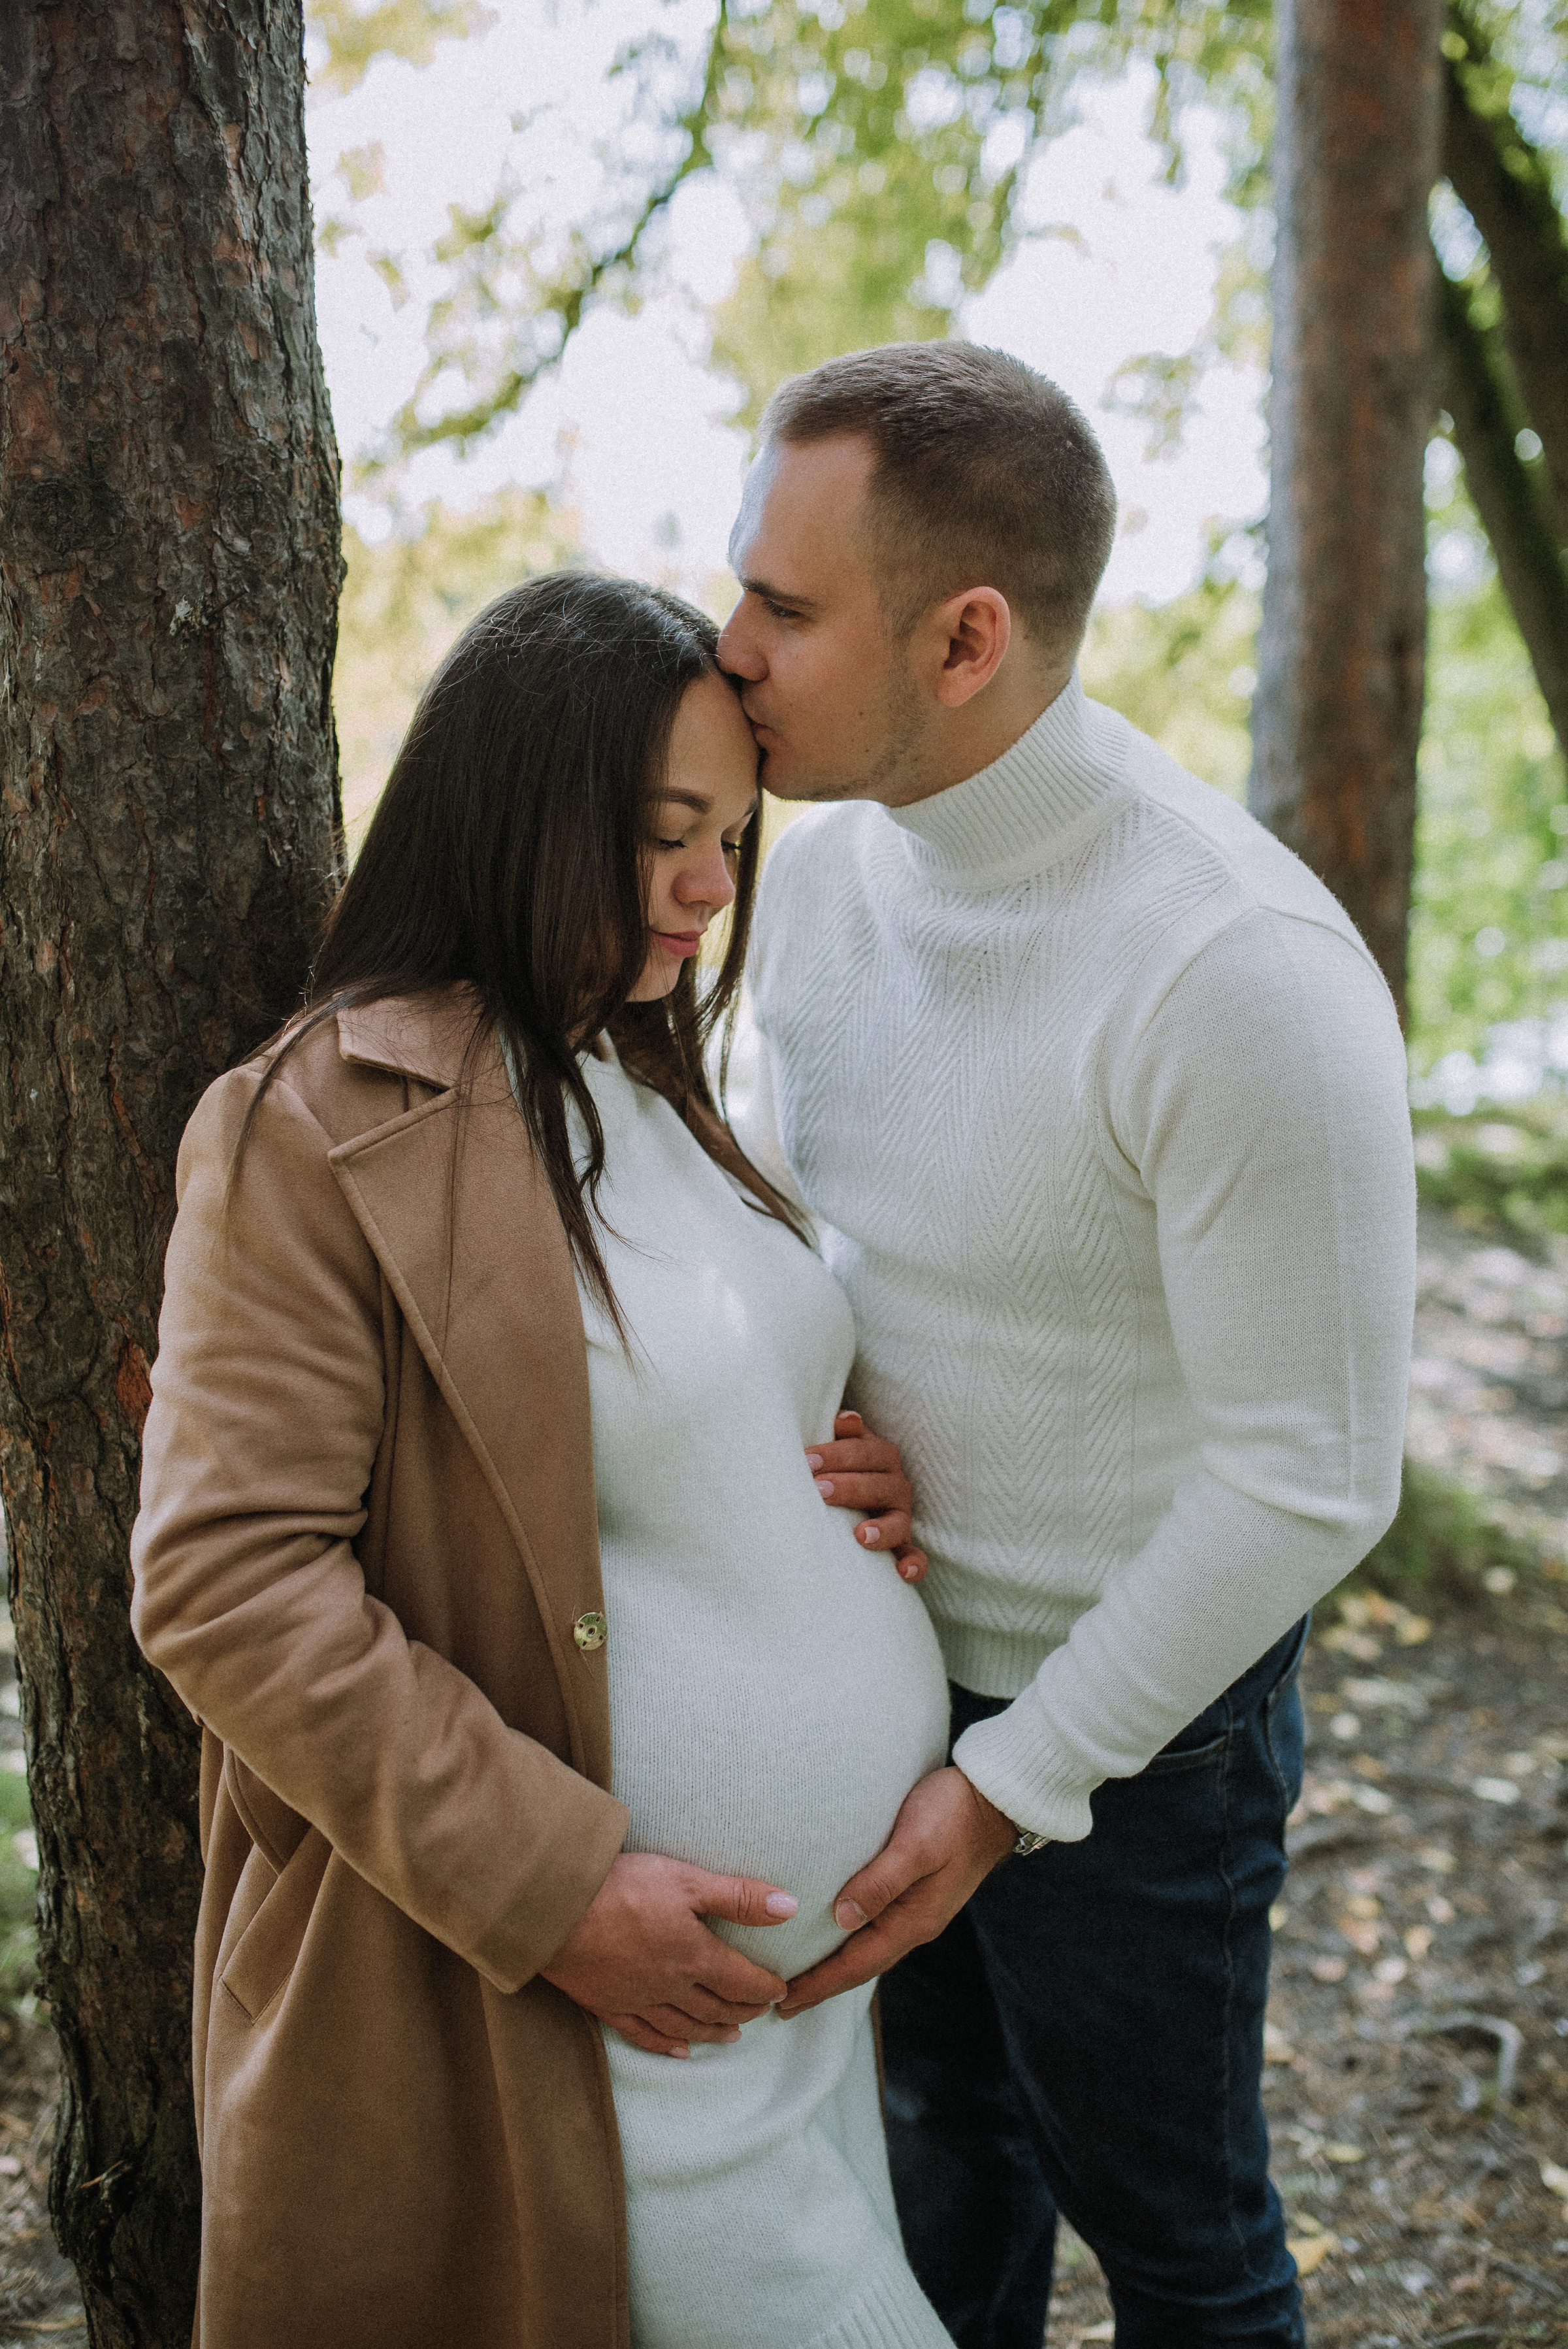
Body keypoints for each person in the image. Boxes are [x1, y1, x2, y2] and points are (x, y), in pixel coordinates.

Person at [129, 572, 962, 2349]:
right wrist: (560, 1887)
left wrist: (858, 1469)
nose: (711, 885)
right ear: (520, 806)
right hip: (562, 2026)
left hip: (789, 2034)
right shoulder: (312, 1122)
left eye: (732, 836)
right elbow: (225, 1586)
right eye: (664, 833)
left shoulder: (660, 1089)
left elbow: (667, 1422)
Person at [719, 340, 1418, 2348]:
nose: (731, 646)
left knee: (1176, 2237)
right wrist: (814, 1403)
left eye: (784, 604)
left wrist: (1016, 1781)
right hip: (875, 1690)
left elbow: (1312, 1473)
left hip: (1138, 1749)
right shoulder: (833, 882)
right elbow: (802, 1221)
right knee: (937, 2180)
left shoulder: (1235, 972)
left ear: (964, 637)